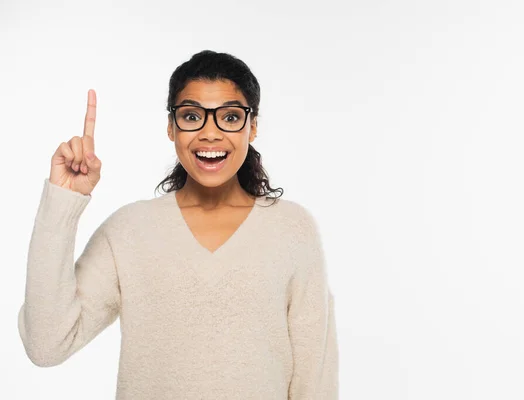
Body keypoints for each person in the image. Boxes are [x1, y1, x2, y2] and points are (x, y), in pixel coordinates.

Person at [17, 50, 339, 399]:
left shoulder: (293, 230)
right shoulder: (129, 231)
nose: (210, 134)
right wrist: (62, 202)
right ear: (171, 127)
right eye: (192, 116)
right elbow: (46, 345)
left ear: (253, 125)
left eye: (230, 117)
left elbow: (315, 381)